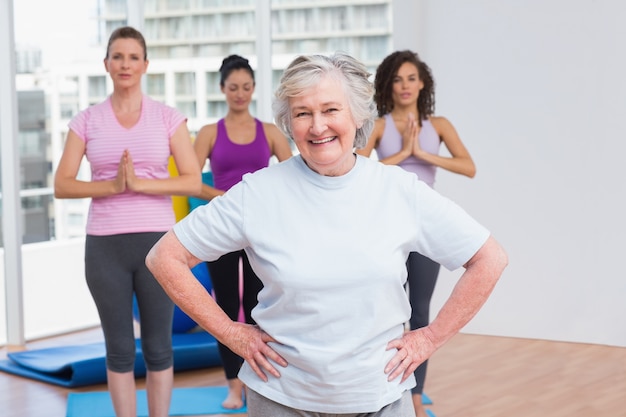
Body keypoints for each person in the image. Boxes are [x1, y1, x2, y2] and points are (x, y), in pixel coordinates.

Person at [146, 52, 508, 417]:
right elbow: (165, 257)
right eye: (303, 113)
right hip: (282, 398)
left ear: (357, 114)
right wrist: (232, 333)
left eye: (331, 110)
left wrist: (428, 338)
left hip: (380, 397)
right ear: (289, 123)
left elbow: (489, 258)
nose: (318, 126)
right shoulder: (257, 193)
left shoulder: (399, 190)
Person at [54, 26, 201, 417]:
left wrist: (140, 183)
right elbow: (62, 185)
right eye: (118, 56)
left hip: (158, 246)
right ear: (106, 64)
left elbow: (190, 179)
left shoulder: (168, 118)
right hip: (105, 246)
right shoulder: (86, 121)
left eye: (133, 57)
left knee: (158, 347)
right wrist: (113, 186)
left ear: (145, 65)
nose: (125, 64)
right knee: (118, 349)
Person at [356, 49, 476, 417]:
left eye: (411, 78)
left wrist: (423, 155)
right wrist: (402, 152)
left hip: (424, 226)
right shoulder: (378, 125)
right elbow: (357, 166)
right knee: (378, 311)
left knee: (419, 313)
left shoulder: (437, 125)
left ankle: (416, 396)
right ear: (387, 86)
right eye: (397, 79)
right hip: (387, 225)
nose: (405, 85)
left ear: (422, 83)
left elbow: (467, 166)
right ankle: (375, 385)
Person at [192, 54, 293, 409]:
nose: (240, 93)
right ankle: (233, 385)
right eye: (233, 87)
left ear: (253, 89)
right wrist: (227, 199)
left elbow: (294, 172)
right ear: (222, 89)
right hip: (221, 228)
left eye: (246, 87)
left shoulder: (268, 131)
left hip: (260, 232)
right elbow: (190, 181)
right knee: (224, 307)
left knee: (256, 306)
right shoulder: (208, 133)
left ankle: (256, 381)